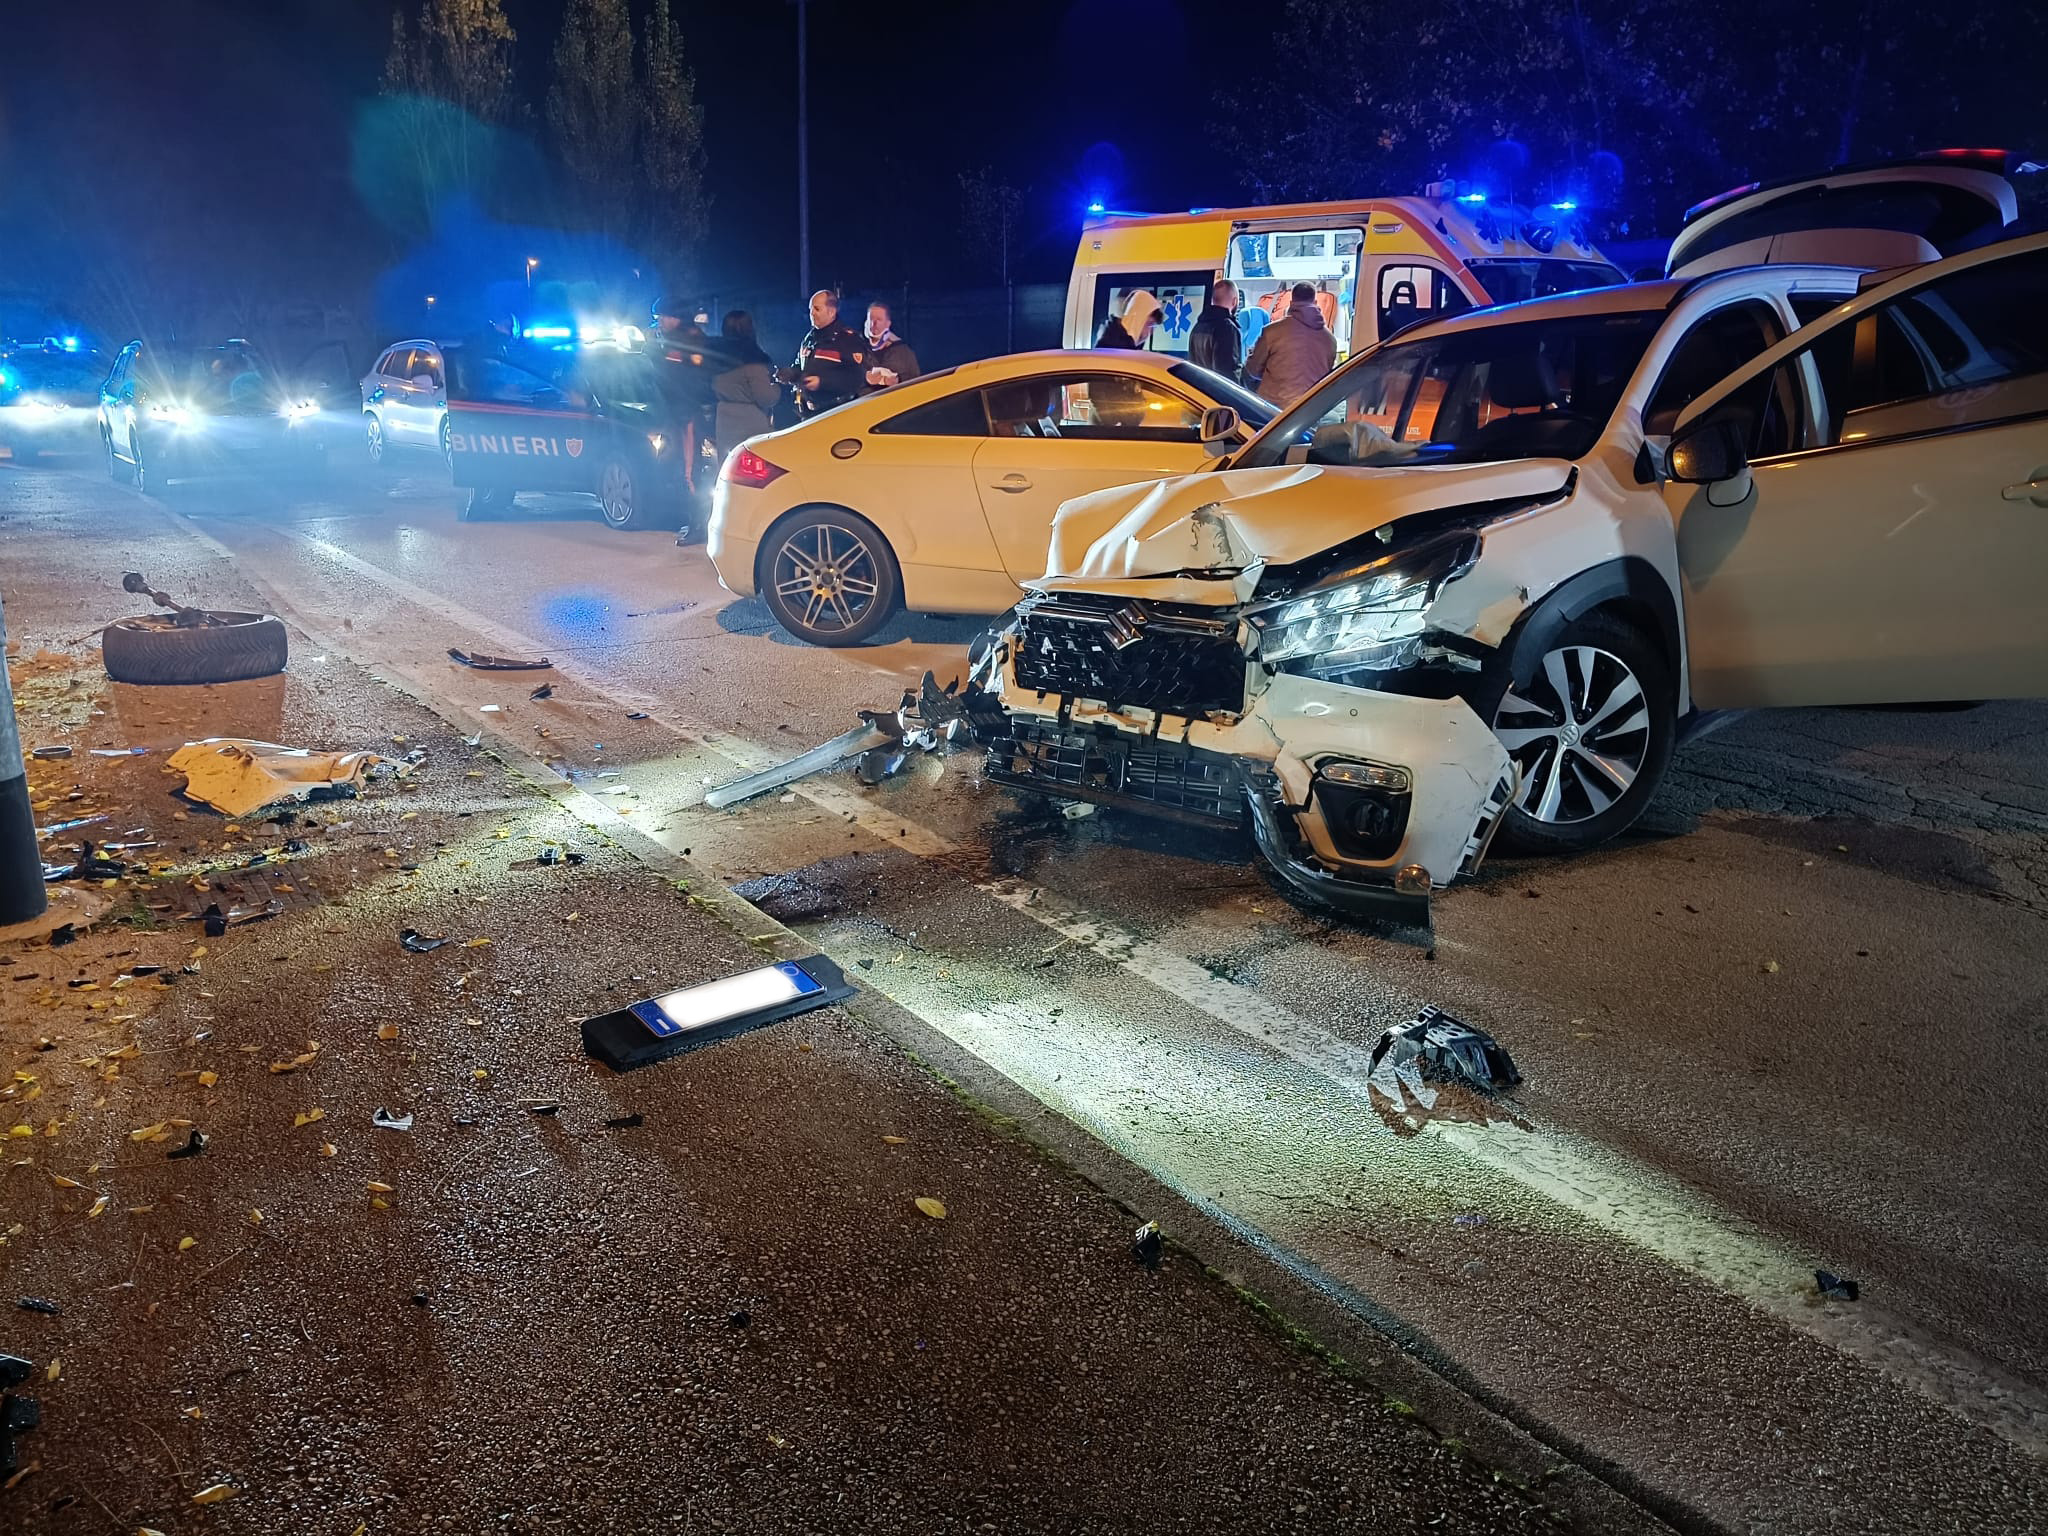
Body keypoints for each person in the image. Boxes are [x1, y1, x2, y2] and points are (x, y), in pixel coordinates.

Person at [1245, 281, 1337, 406]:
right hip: (1311, 410)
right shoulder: (1329, 339)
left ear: (1291, 302)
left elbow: (1253, 370)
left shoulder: (1271, 331)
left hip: (1272, 410)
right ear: (1315, 302)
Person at [785, 290, 867, 417]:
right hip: (809, 413)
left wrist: (822, 382)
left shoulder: (847, 339)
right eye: (810, 309)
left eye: (817, 309)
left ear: (831, 312)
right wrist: (791, 374)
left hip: (838, 413)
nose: (811, 313)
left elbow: (855, 378)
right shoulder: (809, 338)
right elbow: (800, 366)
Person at [711, 310, 779, 446]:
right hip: (751, 422)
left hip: (723, 421)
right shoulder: (753, 360)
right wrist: (777, 386)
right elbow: (766, 397)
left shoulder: (715, 357)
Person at [1186, 280, 1242, 381]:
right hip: (1215, 392)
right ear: (1234, 301)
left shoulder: (1198, 326)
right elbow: (1227, 372)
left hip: (1198, 389)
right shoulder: (1226, 328)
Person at [860, 301, 920, 391]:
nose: (874, 324)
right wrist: (865, 377)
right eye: (871, 319)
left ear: (888, 324)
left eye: (879, 319)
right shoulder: (856, 347)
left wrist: (898, 380)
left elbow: (916, 379)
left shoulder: (903, 351)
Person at [1094, 289, 1160, 350]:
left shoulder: (1129, 343)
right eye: (1149, 324)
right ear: (1138, 319)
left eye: (1154, 326)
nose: (1151, 332)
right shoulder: (1112, 344)